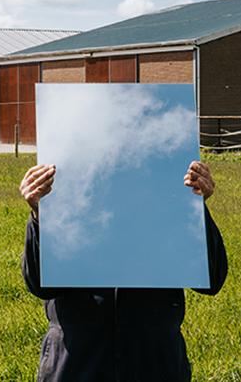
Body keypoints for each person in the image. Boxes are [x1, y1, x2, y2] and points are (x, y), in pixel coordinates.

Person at [18, 161, 228, 381]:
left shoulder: (167, 197)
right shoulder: (67, 194)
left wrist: (195, 208)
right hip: (75, 362)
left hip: (153, 362)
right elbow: (40, 286)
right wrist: (40, 215)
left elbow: (212, 280)